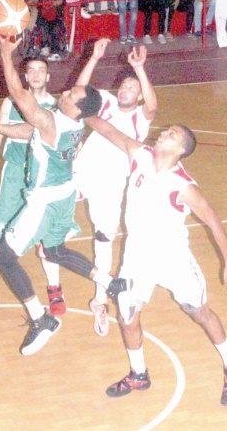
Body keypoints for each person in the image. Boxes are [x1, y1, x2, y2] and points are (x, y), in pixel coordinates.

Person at [0, 30, 132, 356]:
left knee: (5, 256)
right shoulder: (72, 119)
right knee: (54, 251)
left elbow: (16, 91)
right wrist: (93, 59)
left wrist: (4, 52)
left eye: (70, 93)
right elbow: (33, 127)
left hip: (43, 200)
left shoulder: (53, 120)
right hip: (65, 195)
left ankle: (41, 319)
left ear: (73, 107)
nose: (66, 91)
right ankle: (112, 284)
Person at [85, 116, 227, 407]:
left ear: (180, 149)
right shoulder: (140, 156)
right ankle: (138, 374)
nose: (162, 134)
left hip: (173, 260)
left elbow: (213, 222)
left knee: (199, 312)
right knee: (127, 317)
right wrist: (80, 109)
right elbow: (108, 130)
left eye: (171, 134)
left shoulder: (183, 186)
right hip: (136, 258)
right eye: (166, 130)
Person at [73, 38, 157, 336]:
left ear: (138, 96)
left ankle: (98, 299)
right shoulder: (106, 101)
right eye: (123, 85)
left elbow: (153, 105)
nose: (125, 89)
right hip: (79, 172)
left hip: (109, 186)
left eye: (132, 88)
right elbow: (77, 94)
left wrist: (140, 69)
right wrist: (94, 59)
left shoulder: (140, 118)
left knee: (104, 238)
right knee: (51, 218)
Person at [0, 56, 62, 316]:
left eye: (41, 71)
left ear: (48, 77)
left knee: (47, 238)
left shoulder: (56, 107)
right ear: (25, 76)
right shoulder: (10, 103)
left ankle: (55, 290)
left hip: (43, 178)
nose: (35, 75)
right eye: (31, 70)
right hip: (14, 174)